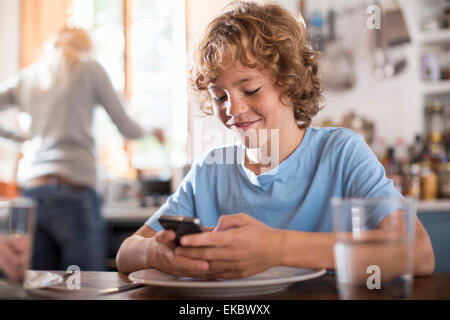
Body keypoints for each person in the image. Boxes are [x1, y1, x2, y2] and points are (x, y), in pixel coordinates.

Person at [115, 1, 434, 278]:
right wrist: (157, 255)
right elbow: (127, 253)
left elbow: (418, 253)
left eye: (251, 90)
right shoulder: (212, 169)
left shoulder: (340, 153)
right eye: (219, 96)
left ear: (290, 80)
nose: (234, 109)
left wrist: (276, 248)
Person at [0, 27, 163, 271]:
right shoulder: (90, 69)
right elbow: (127, 127)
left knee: (39, 288)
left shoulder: (28, 76)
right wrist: (152, 130)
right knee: (84, 285)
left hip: (33, 194)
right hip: (74, 194)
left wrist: (24, 139)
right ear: (85, 46)